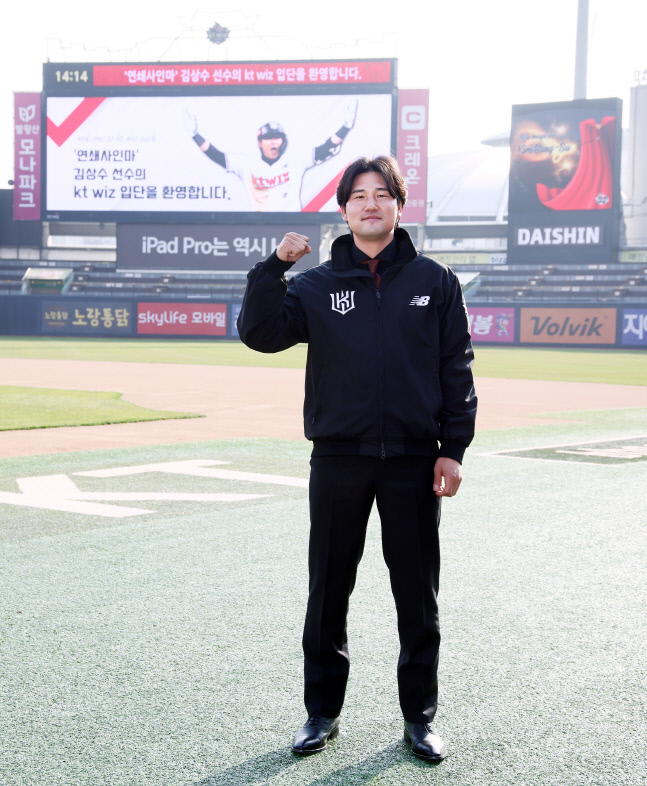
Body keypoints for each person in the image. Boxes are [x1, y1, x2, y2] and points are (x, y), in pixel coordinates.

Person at [237, 155, 477, 761]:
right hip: (339, 460)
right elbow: (258, 332)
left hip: (414, 462)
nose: (371, 204)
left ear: (399, 204)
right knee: (328, 591)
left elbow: (457, 371)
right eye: (359, 196)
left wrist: (452, 450)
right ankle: (321, 713)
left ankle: (419, 718)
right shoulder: (316, 286)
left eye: (382, 194)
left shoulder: (436, 281)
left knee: (416, 596)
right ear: (344, 210)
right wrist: (274, 268)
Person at [185, 100, 357, 211]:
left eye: (277, 138)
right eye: (268, 138)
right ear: (260, 142)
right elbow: (216, 155)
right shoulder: (246, 164)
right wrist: (194, 135)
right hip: (260, 225)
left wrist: (346, 127)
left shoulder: (295, 160)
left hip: (293, 224)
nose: (273, 142)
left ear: (282, 141)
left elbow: (326, 149)